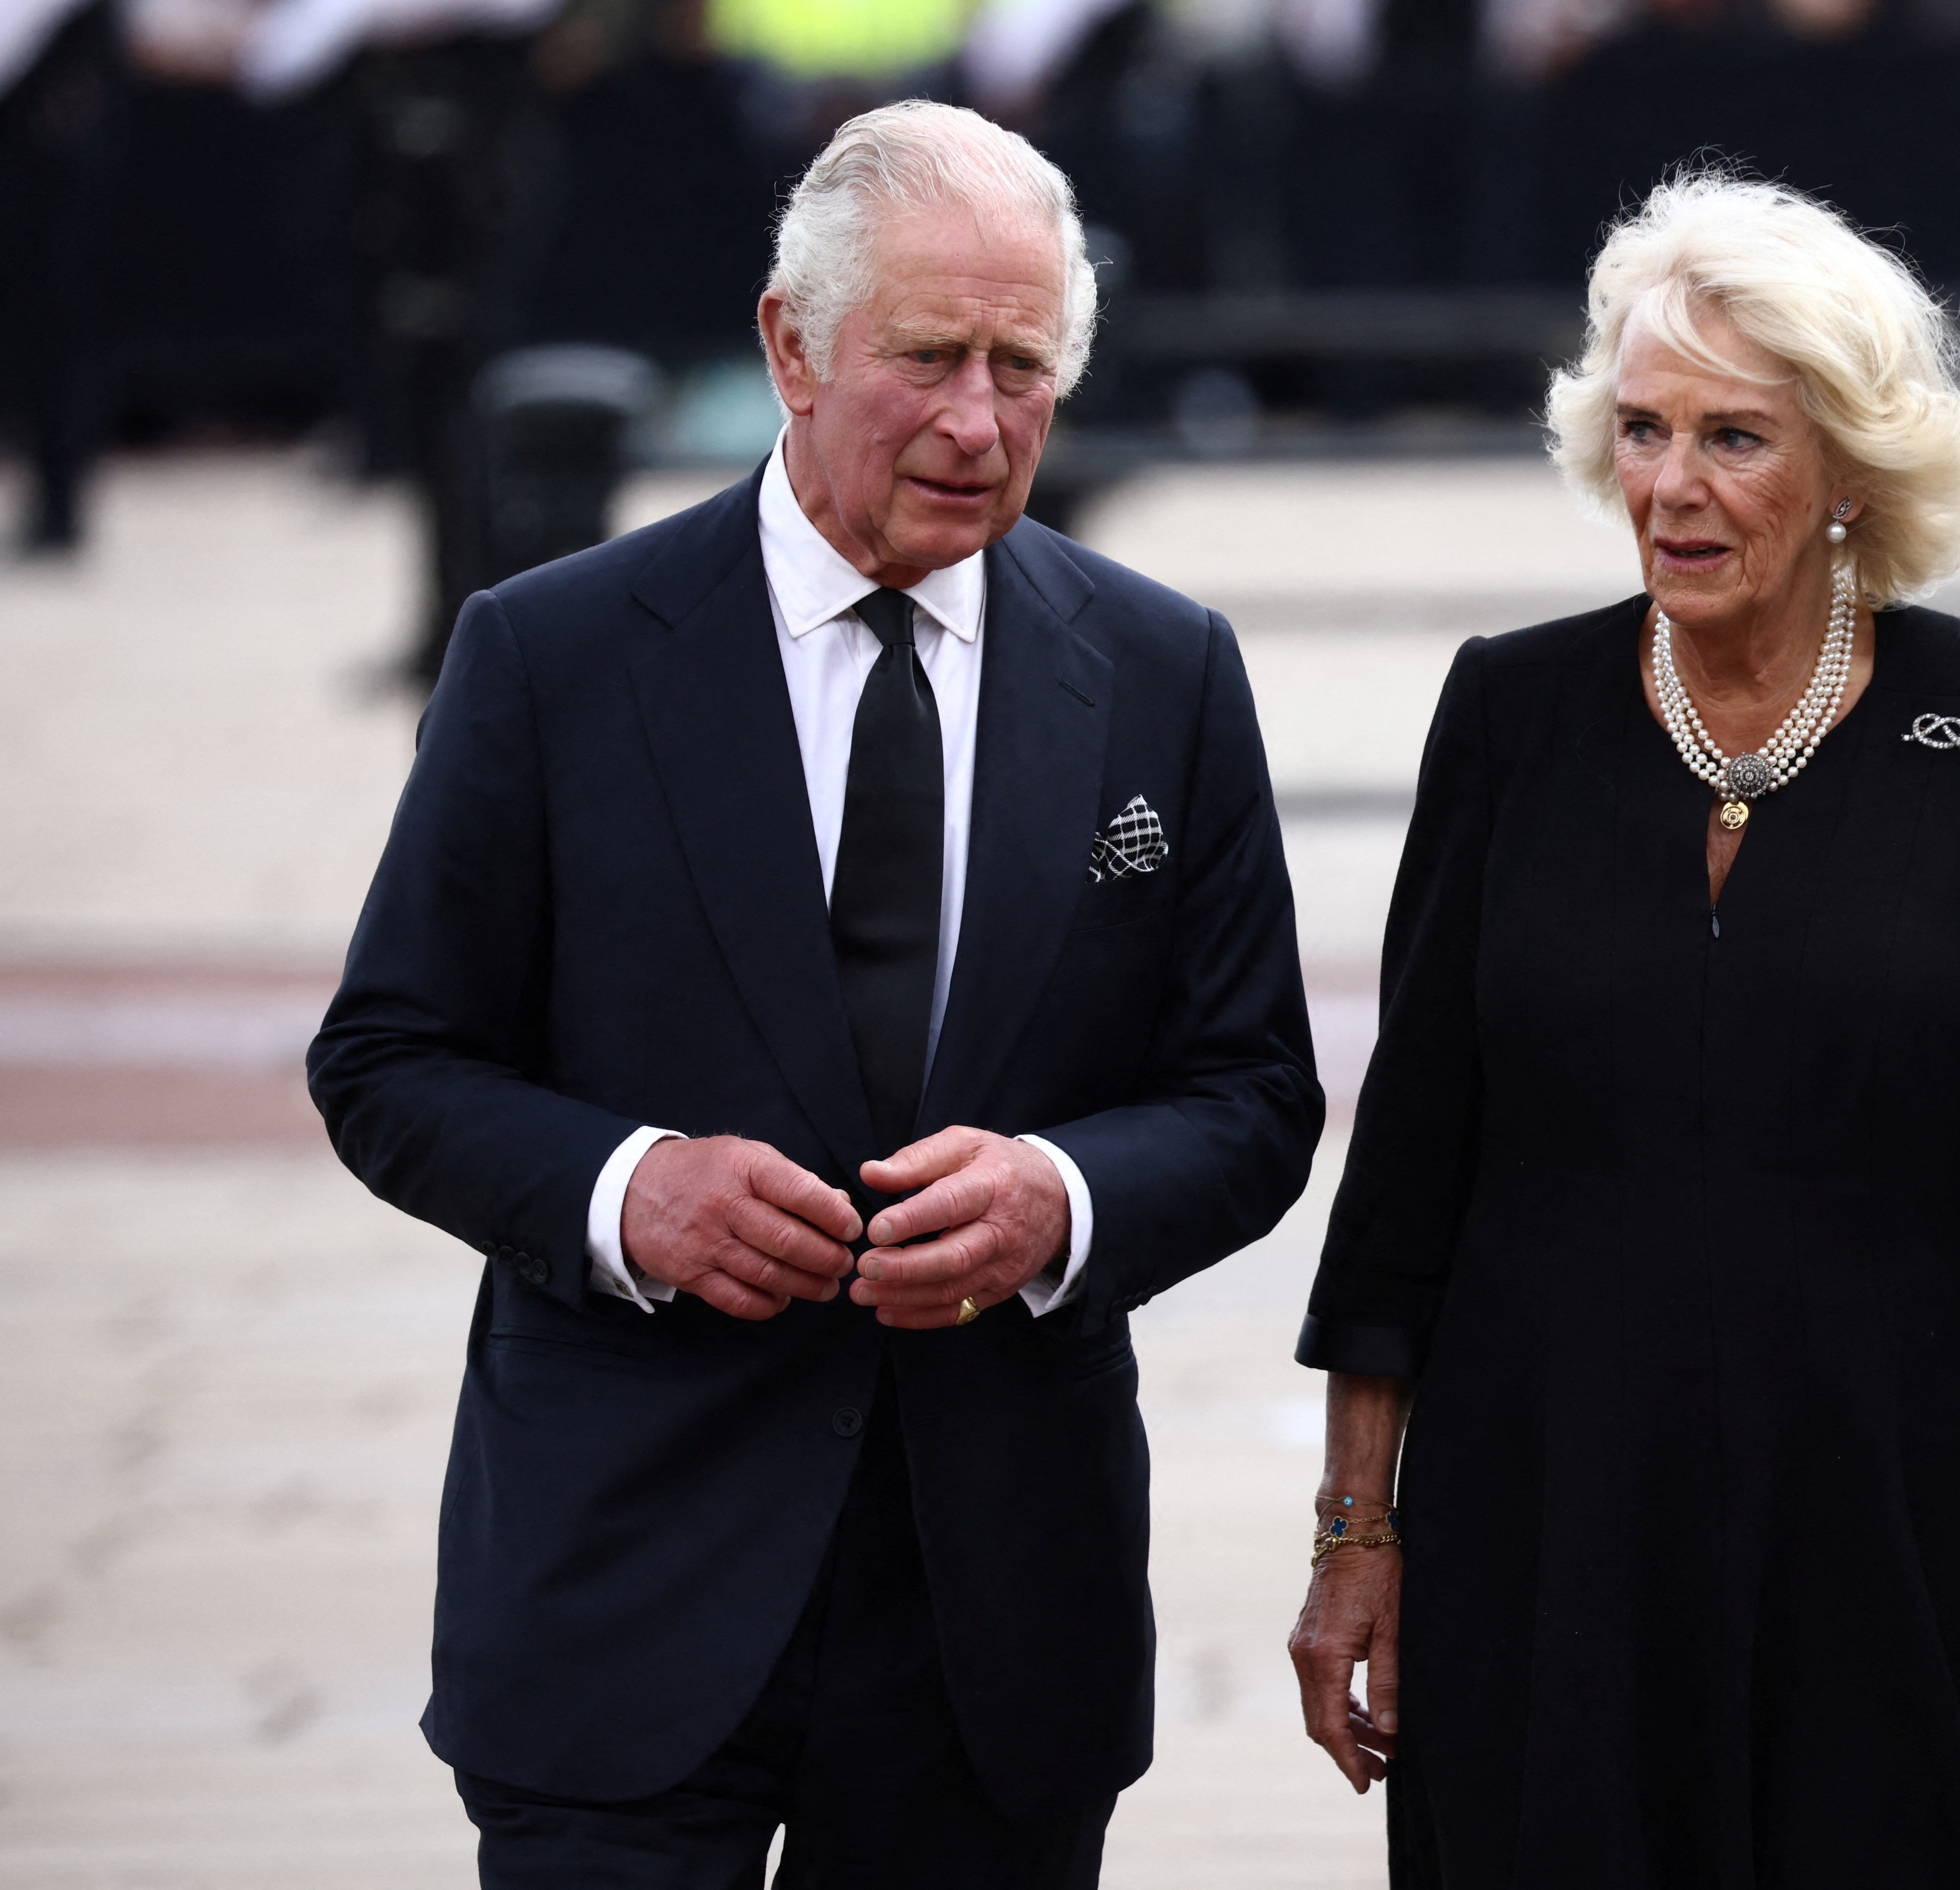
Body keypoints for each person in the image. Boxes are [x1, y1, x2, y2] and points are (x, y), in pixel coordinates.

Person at [309, 100, 1320, 1887]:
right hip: (627, 1585)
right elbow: (390, 1060)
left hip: (995, 1620)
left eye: (1025, 367)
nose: (977, 420)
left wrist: (1062, 1200)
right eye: (927, 358)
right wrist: (632, 1191)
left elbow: (1248, 1096)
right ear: (790, 343)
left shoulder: (1166, 670)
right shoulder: (549, 655)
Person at [1286, 169, 1960, 1886]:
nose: (1674, 491)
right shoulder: (1513, 713)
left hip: (1881, 1492)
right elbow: (1407, 1169)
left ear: (1850, 468)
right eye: (1641, 431)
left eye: (1735, 439)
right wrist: (1357, 1536)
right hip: (1548, 1507)